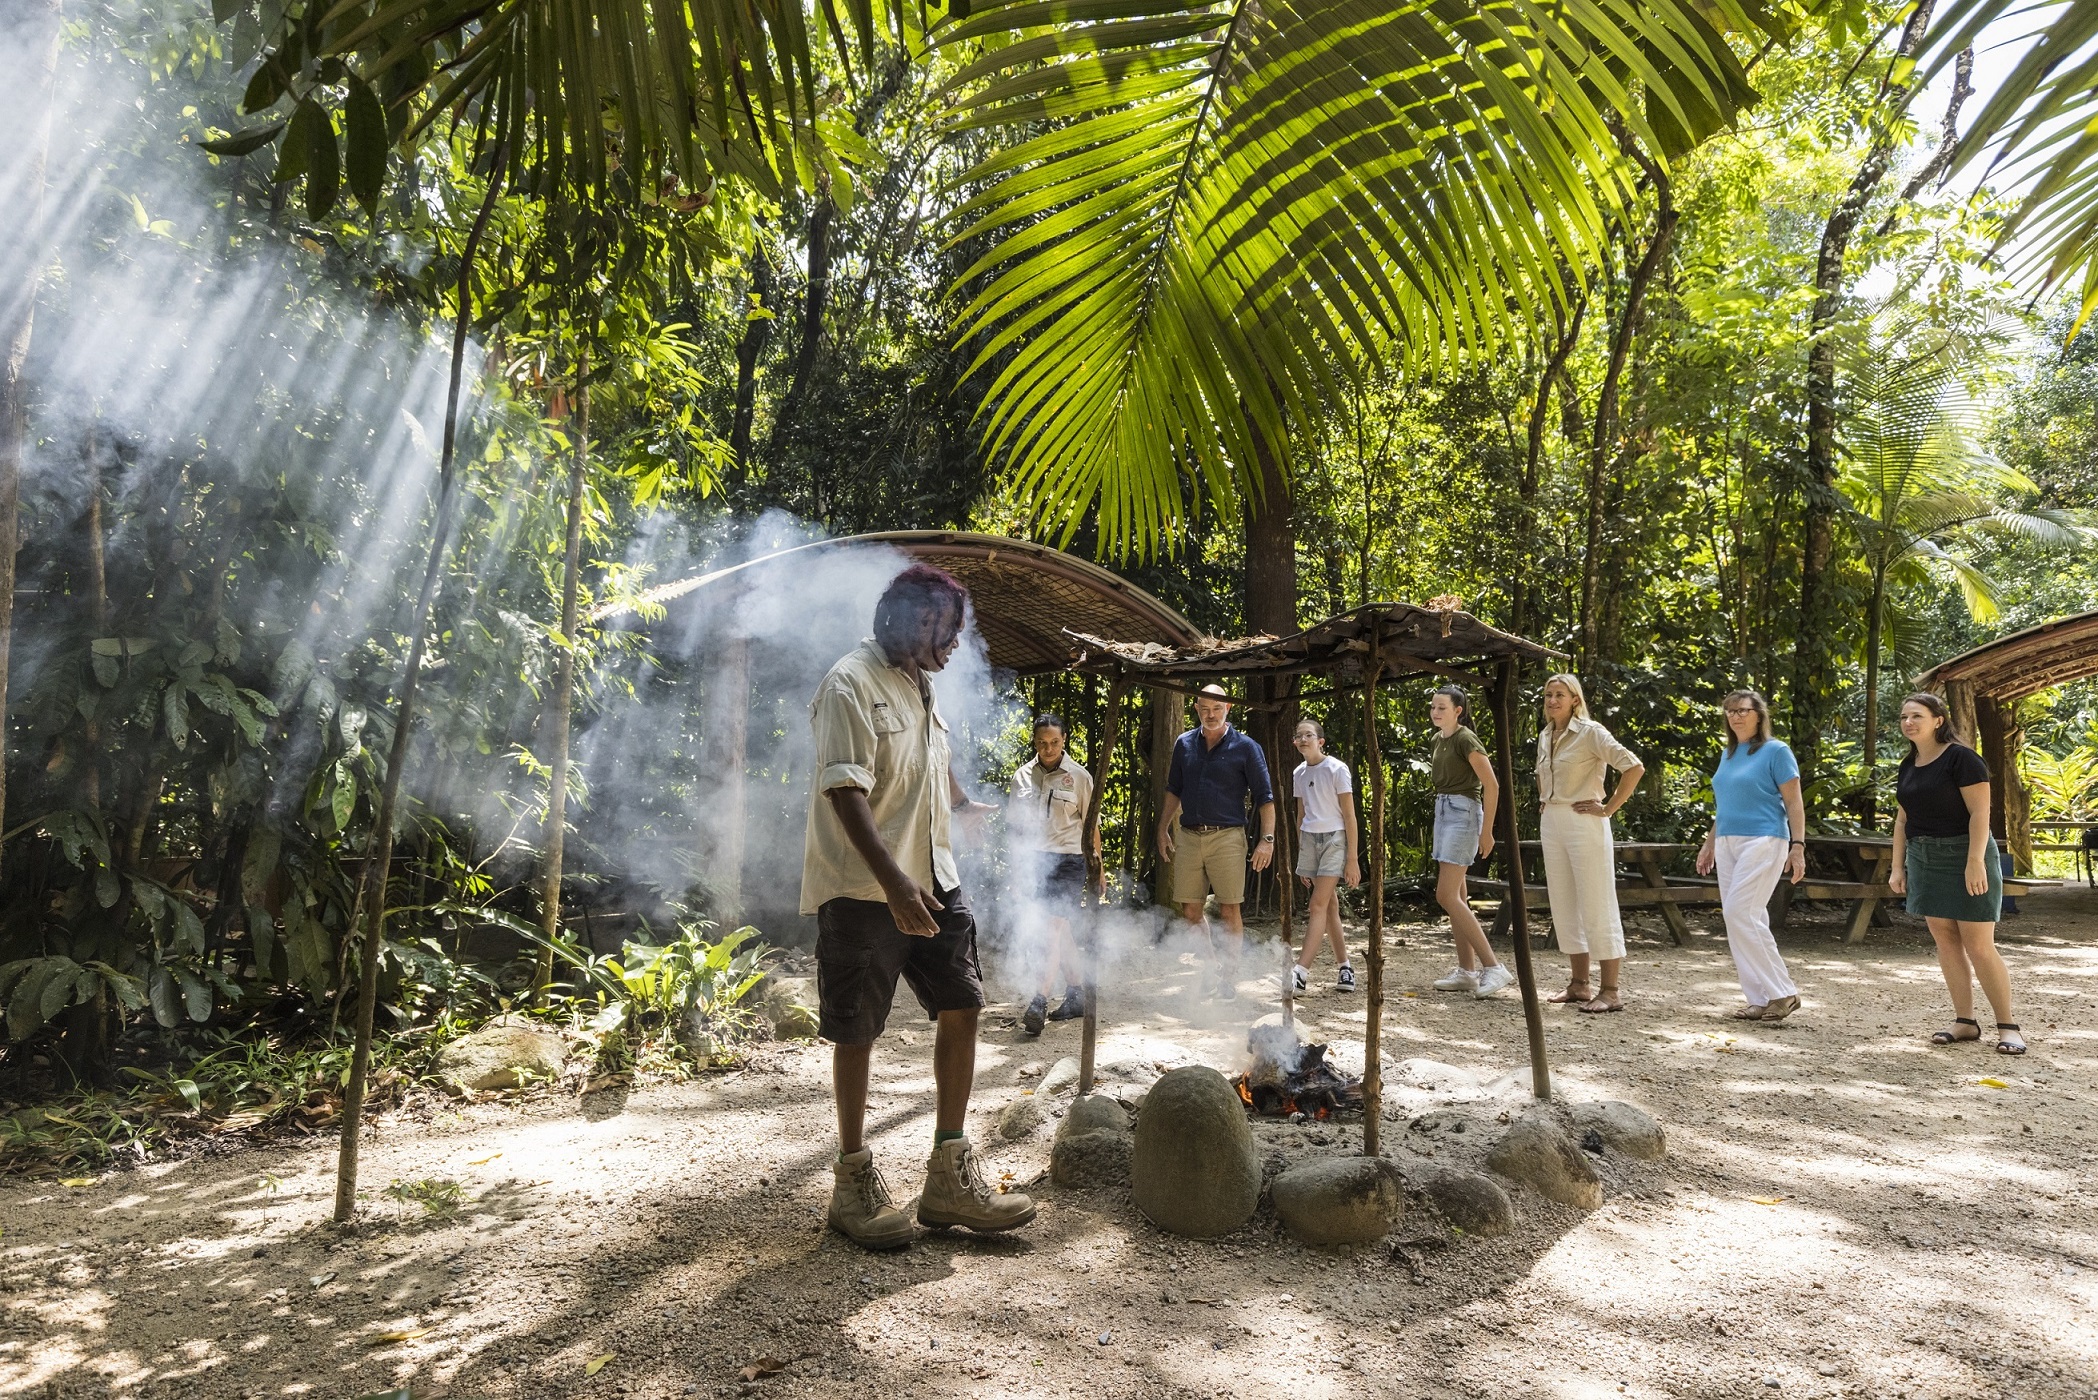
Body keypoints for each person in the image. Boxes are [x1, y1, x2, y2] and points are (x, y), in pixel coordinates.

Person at [801, 564, 1036, 1250]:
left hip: (935, 875)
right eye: (947, 628)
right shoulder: (849, 684)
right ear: (911, 621)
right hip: (866, 889)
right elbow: (845, 793)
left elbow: (929, 751)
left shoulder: (916, 681)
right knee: (857, 1030)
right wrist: (896, 887)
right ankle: (851, 1185)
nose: (956, 642)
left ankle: (948, 1177)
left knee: (962, 1001)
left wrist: (960, 803)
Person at [1888, 692, 2024, 1055]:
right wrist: (1896, 866)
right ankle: (1964, 1021)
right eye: (1903, 717)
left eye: (1916, 716)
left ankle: (2008, 1026)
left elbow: (1981, 814)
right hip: (1924, 857)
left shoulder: (1962, 759)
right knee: (1946, 942)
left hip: (1966, 854)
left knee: (1979, 945)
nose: (1908, 722)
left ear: (1938, 720)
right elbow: (1903, 818)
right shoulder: (1909, 763)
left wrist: (1975, 861)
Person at [1157, 683, 1276, 1000]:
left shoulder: (1247, 747)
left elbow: (1266, 798)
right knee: (1190, 911)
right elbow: (1173, 789)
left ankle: (1229, 978)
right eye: (1205, 708)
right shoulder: (1184, 744)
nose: (1210, 714)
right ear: (1195, 709)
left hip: (1227, 837)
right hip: (1189, 835)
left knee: (1229, 909)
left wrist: (1267, 840)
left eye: (1217, 708)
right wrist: (1162, 827)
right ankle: (1210, 968)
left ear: (1228, 709)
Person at [1535, 673, 1644, 1013]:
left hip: (1585, 821)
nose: (1553, 700)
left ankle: (1610, 990)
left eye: (1560, 695)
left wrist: (1608, 807)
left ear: (1575, 700)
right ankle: (1579, 984)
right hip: (1551, 820)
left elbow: (1633, 767)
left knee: (1596, 901)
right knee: (1564, 902)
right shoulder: (1544, 735)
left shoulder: (1591, 732)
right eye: (1549, 695)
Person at [1694, 690, 1806, 1021]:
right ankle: (1759, 998)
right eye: (1730, 711)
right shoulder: (1729, 753)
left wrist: (1797, 846)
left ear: (1759, 714)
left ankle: (1783, 992)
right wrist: (1710, 841)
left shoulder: (1776, 751)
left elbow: (1794, 802)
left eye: (1743, 710)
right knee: (1742, 919)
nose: (1736, 716)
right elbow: (1726, 803)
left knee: (1740, 912)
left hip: (1765, 838)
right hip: (1728, 842)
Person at [1007, 713, 1097, 1035]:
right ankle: (1076, 994)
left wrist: (1098, 866)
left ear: (1064, 740)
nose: (1048, 749)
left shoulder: (1080, 777)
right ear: (1034, 742)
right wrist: (1016, 873)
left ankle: (1039, 1001)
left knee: (1050, 928)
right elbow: (1016, 830)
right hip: (1033, 862)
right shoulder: (1021, 777)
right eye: (1042, 743)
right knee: (1062, 932)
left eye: (1055, 742)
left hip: (1069, 861)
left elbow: (1091, 825)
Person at [1425, 685, 1511, 999]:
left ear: (1458, 710)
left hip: (1464, 813)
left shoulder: (1465, 738)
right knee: (1457, 893)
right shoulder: (1438, 739)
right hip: (1444, 809)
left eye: (1442, 707)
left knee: (1445, 894)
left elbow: (1492, 784)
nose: (1435, 712)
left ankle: (1493, 966)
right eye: (1433, 707)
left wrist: (1486, 831)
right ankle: (1467, 971)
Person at [1287, 718, 1360, 994]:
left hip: (1334, 840)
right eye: (1299, 736)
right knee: (1329, 908)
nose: (1303, 739)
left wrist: (1351, 859)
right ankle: (1346, 968)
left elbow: (1350, 816)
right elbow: (1301, 815)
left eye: (1308, 735)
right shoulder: (1299, 773)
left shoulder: (1337, 769)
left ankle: (1300, 972)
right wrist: (1302, 858)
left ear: (1321, 741)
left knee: (1317, 906)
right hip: (1309, 840)